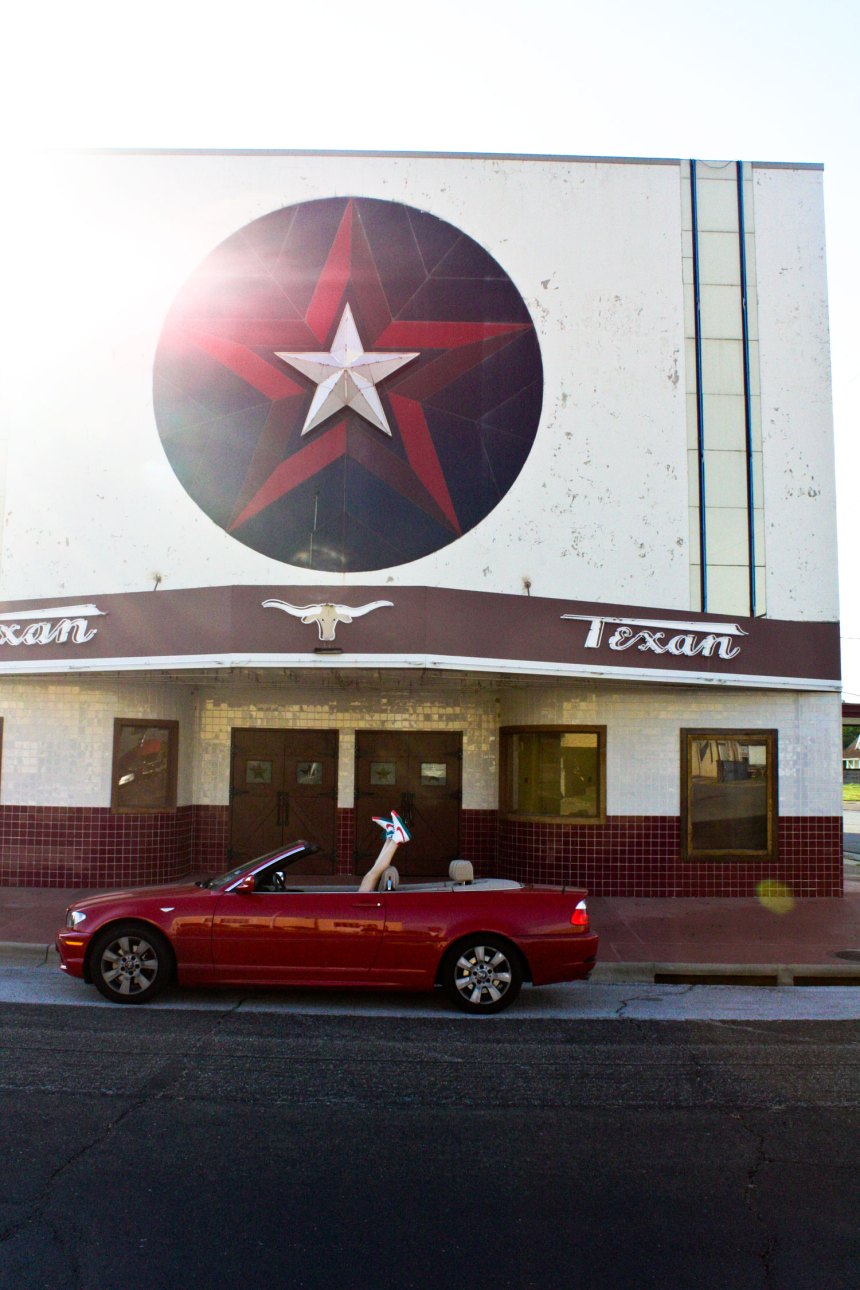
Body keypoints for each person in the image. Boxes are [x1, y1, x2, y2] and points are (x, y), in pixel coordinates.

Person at [357, 810, 411, 892]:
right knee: (371, 876)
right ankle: (396, 839)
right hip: (362, 900)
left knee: (371, 875)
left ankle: (391, 837)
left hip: (361, 900)